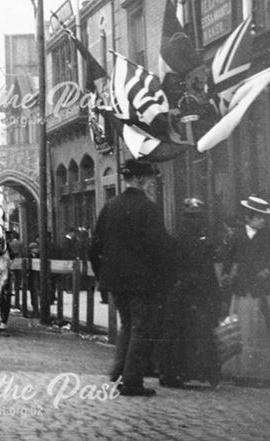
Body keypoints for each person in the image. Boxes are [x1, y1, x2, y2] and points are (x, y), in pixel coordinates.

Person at [88, 159, 174, 396]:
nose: (151, 184)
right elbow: (160, 246)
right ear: (139, 180)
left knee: (127, 325)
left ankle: (118, 372)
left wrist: (102, 277)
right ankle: (132, 381)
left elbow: (95, 246)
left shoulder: (110, 206)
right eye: (149, 180)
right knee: (141, 328)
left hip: (116, 281)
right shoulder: (149, 208)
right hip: (142, 282)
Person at [220, 195, 270, 386]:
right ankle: (242, 372)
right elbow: (228, 258)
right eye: (258, 217)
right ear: (248, 217)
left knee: (264, 330)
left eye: (264, 218)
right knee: (244, 330)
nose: (262, 221)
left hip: (264, 290)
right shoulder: (237, 236)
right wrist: (226, 275)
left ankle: (265, 375)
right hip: (243, 288)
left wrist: (269, 270)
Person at [155, 198, 220, 387]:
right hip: (193, 291)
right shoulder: (203, 243)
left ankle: (173, 372)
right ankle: (194, 371)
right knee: (193, 330)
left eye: (197, 217)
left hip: (183, 291)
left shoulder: (177, 240)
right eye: (192, 217)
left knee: (179, 332)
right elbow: (207, 271)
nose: (195, 221)